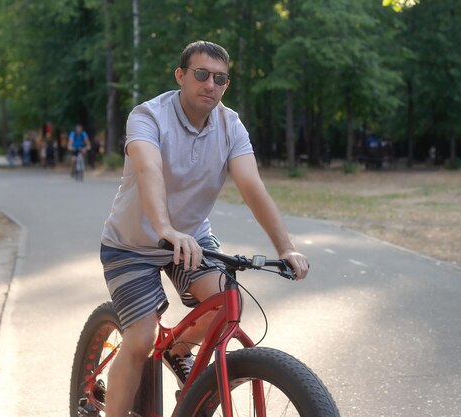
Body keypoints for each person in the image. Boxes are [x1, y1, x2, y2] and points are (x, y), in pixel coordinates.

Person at [99, 40, 309, 417]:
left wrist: (286, 247)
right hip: (131, 244)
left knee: (226, 307)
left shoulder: (231, 125)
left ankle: (179, 351)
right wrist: (165, 228)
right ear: (181, 76)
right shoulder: (148, 116)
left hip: (191, 237)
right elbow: (149, 171)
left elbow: (252, 187)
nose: (210, 84)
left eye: (220, 78)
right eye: (201, 75)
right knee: (142, 338)